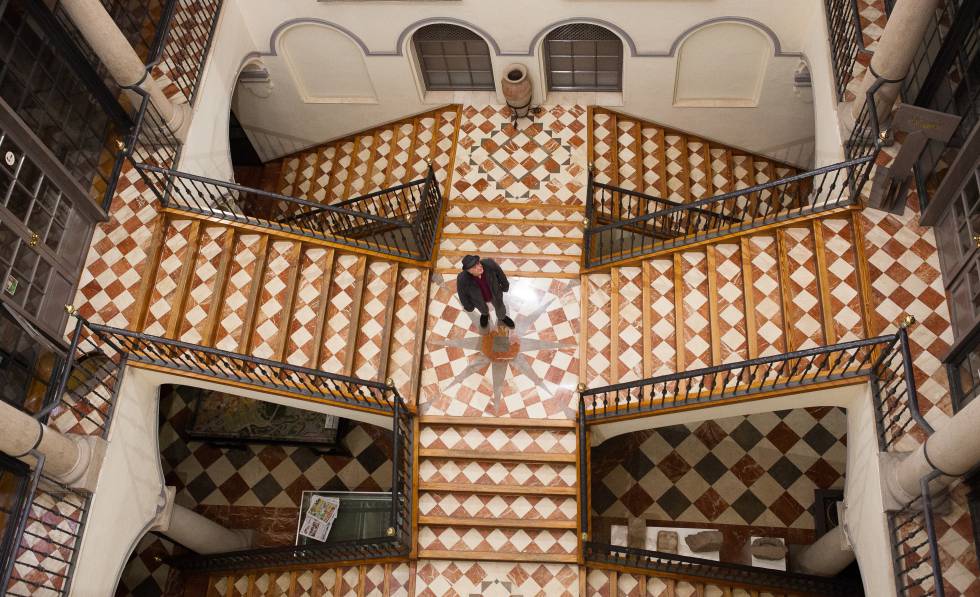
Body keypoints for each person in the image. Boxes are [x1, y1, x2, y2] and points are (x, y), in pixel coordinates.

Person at [456, 255, 514, 329]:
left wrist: (505, 286)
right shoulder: (462, 278)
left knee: (500, 306)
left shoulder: (489, 264)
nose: (479, 267)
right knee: (482, 307)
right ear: (469, 271)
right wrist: (468, 306)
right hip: (478, 299)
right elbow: (462, 294)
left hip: (494, 292)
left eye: (478, 263)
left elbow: (500, 274)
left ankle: (502, 317)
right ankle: (485, 314)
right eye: (474, 267)